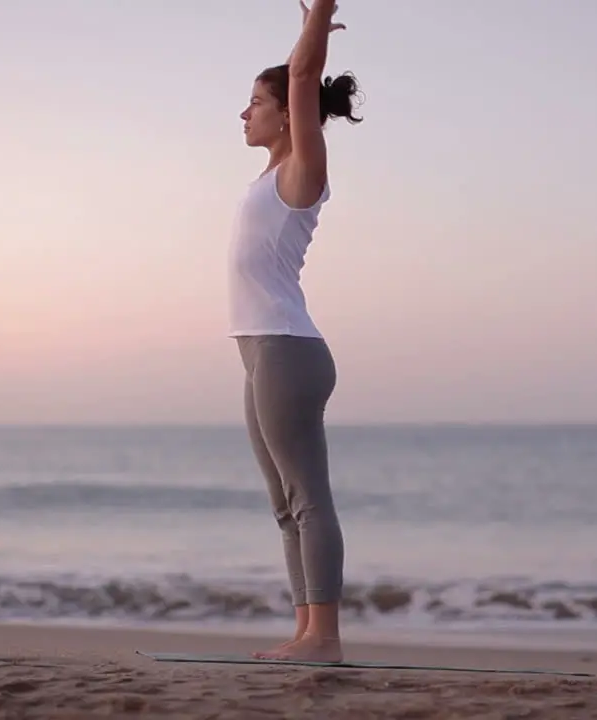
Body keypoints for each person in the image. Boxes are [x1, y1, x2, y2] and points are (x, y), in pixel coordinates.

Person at [227, 0, 363, 663]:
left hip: (288, 351)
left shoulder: (300, 173)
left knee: (308, 497)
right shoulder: (265, 177)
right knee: (284, 505)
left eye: (255, 102)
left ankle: (326, 639)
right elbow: (301, 80)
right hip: (260, 354)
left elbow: (304, 77)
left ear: (288, 114)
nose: (244, 113)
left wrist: (317, 19)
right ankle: (307, 631)